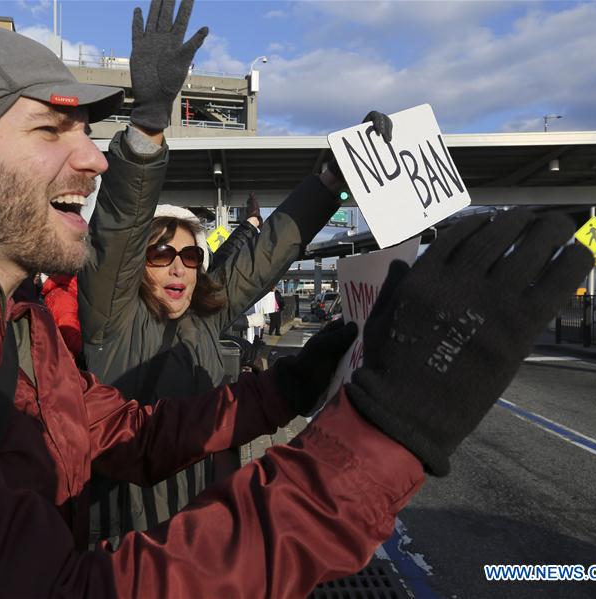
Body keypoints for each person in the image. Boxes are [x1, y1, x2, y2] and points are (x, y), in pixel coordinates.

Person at [0, 9, 592, 599]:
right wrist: (387, 434)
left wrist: (304, 383)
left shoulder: (15, 314)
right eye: (52, 130)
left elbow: (128, 432)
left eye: (89, 132)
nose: (91, 160)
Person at [79, 0, 394, 543]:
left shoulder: (205, 317)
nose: (179, 266)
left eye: (191, 255)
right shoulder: (113, 321)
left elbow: (265, 253)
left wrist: (329, 182)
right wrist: (148, 128)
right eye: (160, 254)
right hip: (124, 546)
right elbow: (118, 230)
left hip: (204, 538)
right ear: (136, 267)